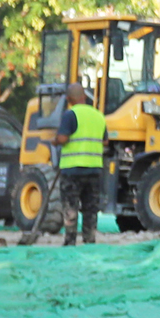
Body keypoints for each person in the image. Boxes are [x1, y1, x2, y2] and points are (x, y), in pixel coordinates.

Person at [40, 84, 107, 245]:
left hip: (73, 170)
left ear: (69, 99)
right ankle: (89, 240)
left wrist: (55, 141)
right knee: (90, 208)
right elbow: (105, 141)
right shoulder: (98, 115)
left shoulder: (70, 115)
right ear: (84, 97)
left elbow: (63, 138)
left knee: (71, 206)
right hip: (94, 169)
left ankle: (70, 241)